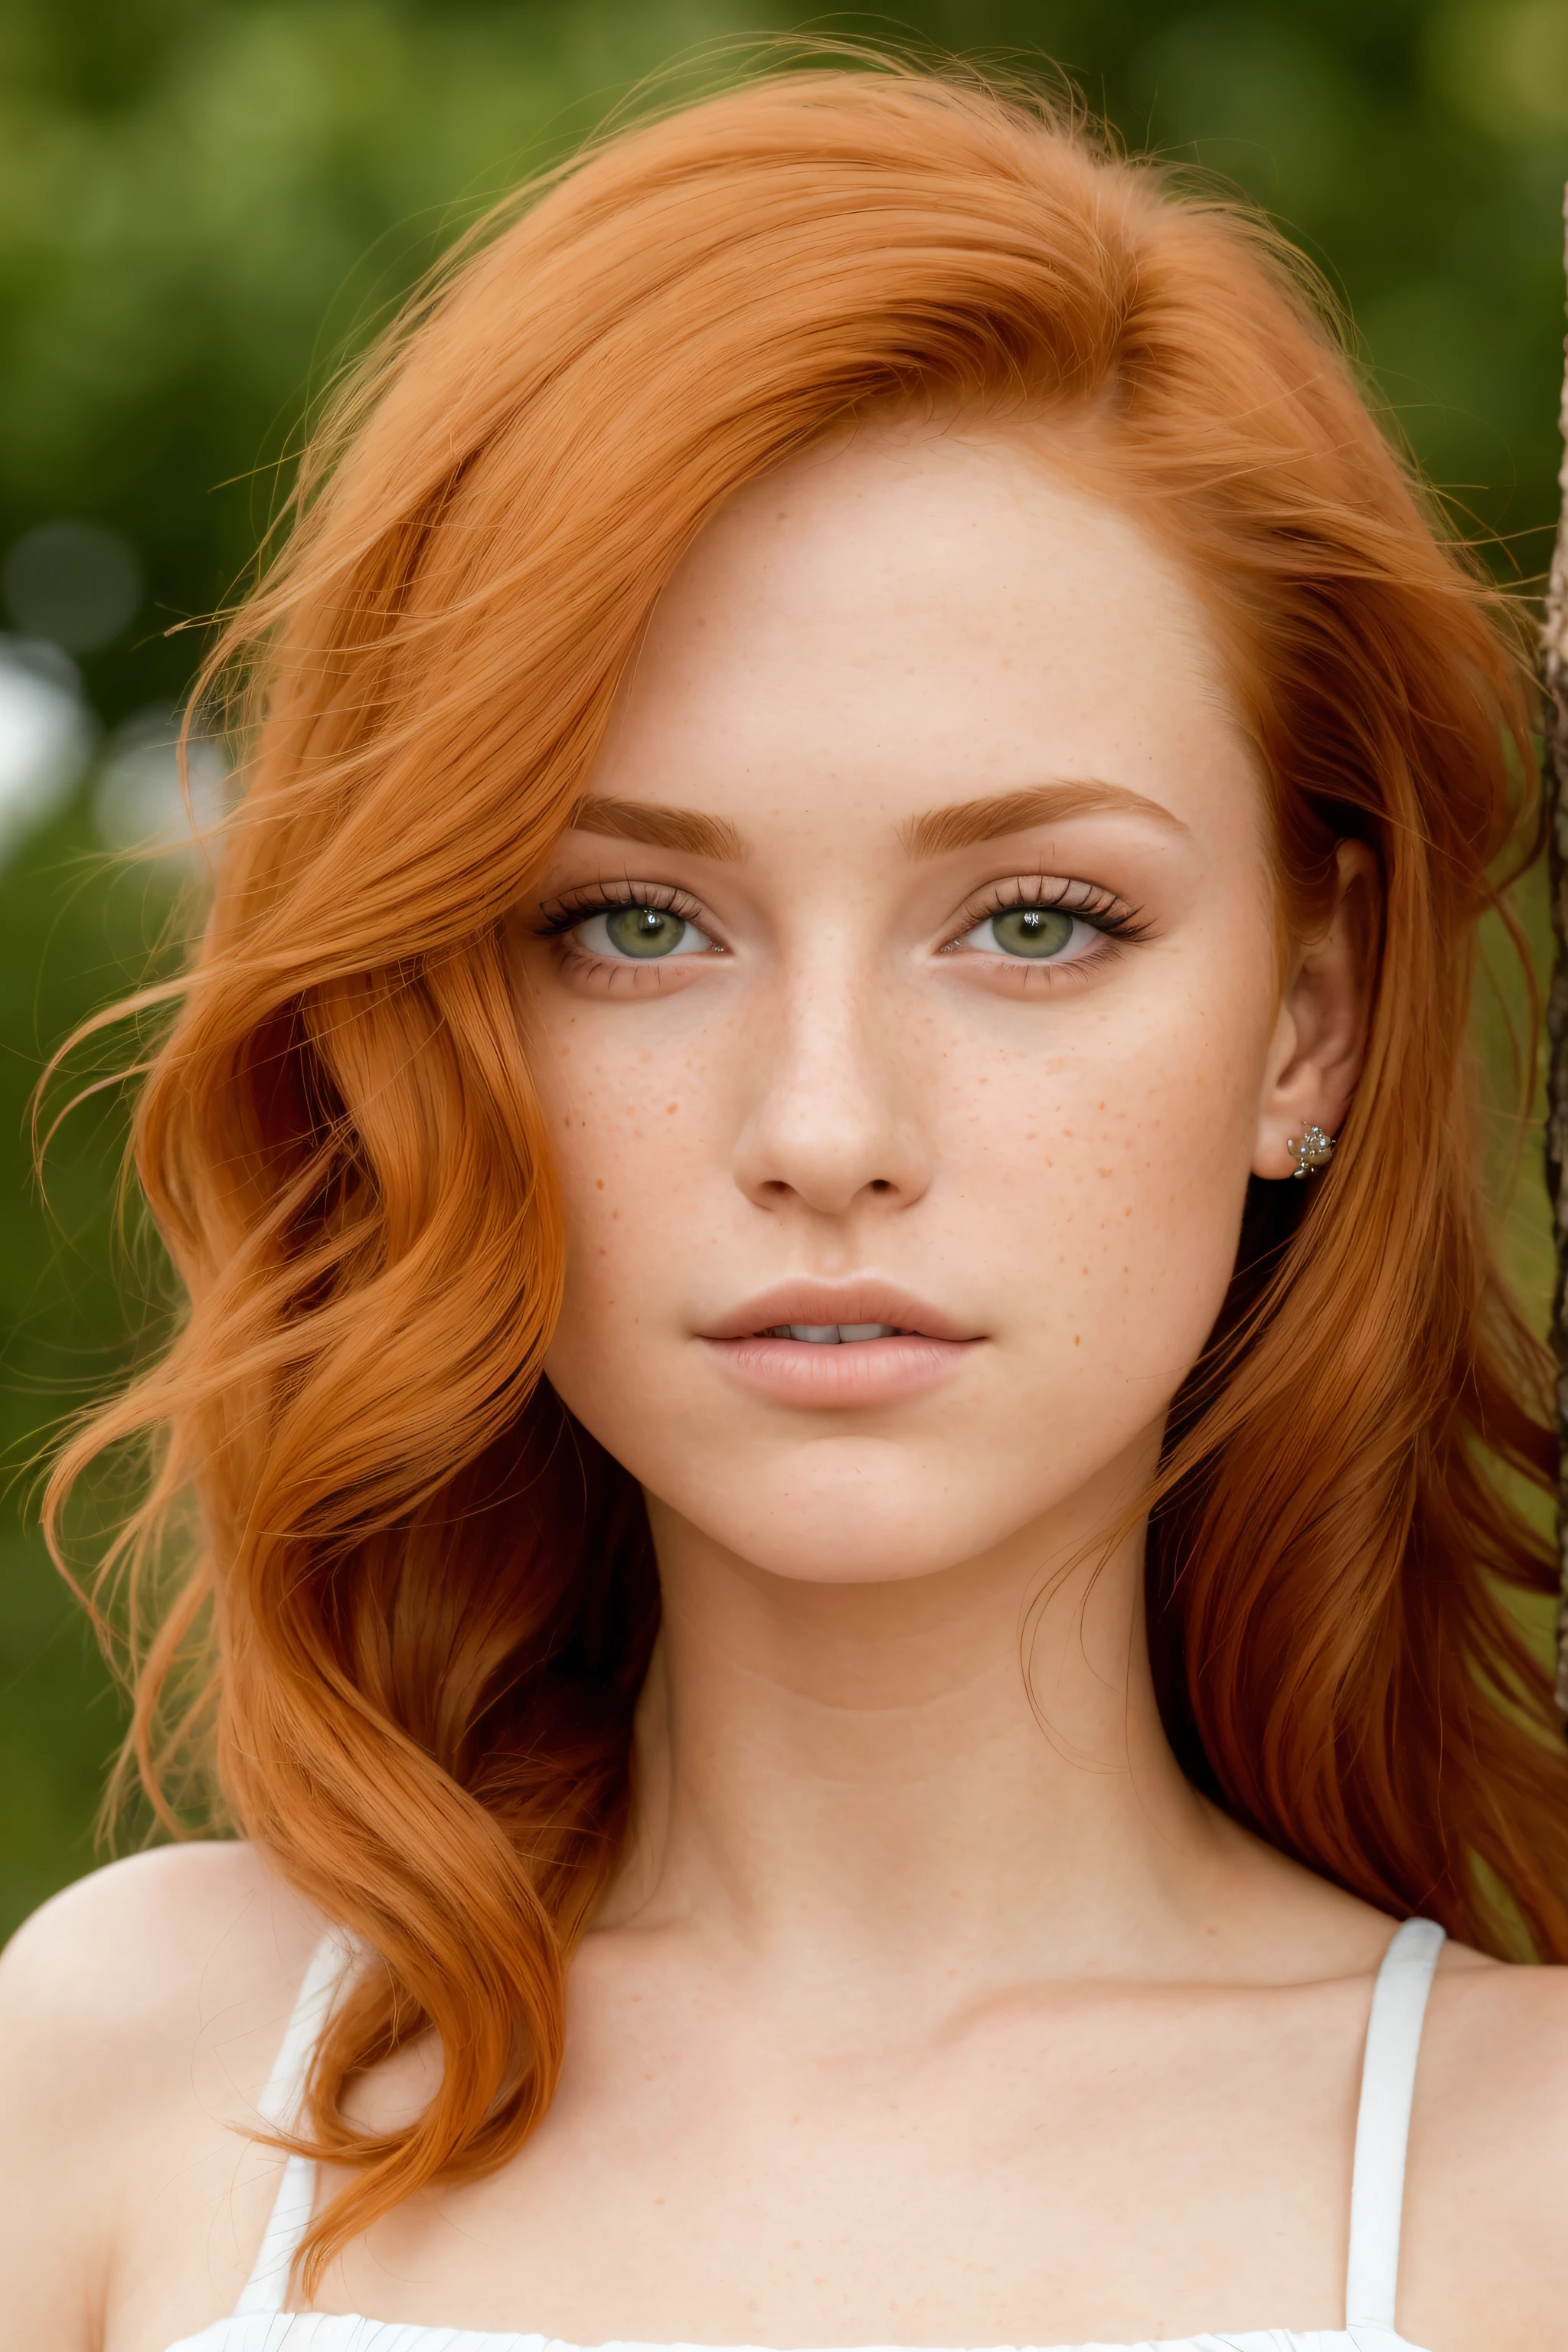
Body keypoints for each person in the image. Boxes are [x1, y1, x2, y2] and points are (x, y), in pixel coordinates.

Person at [3, 56, 1567, 2352]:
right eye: (636, 924)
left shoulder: (1519, 2186)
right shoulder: (132, 2078)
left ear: (1308, 1020)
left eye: (1034, 920)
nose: (826, 1128)